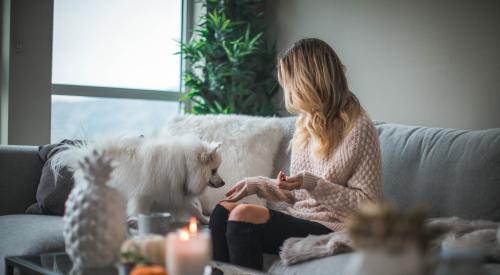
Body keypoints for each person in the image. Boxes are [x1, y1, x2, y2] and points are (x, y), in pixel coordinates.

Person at [208, 38, 384, 270]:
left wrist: (312, 184)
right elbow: (298, 194)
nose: (287, 91)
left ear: (307, 82)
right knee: (223, 210)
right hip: (301, 216)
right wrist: (257, 184)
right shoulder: (306, 123)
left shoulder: (359, 127)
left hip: (336, 225)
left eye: (289, 82)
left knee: (243, 215)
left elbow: (369, 206)